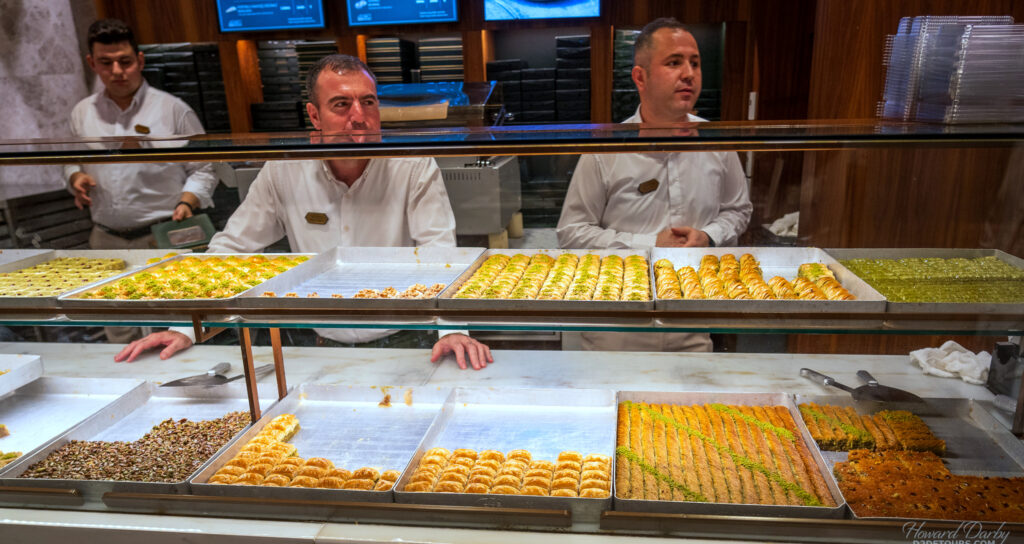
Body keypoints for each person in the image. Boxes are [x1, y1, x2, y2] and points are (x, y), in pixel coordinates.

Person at [114, 54, 494, 370]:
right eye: (341, 105)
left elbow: (440, 256)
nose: (359, 116)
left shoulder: (413, 166)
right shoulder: (286, 169)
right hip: (313, 344)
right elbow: (230, 250)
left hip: (407, 342)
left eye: (369, 102)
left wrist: (452, 330)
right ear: (314, 116)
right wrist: (188, 326)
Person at [556, 17, 752, 352]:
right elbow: (572, 232)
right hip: (614, 333)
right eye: (674, 63)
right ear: (640, 77)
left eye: (695, 63)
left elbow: (738, 210)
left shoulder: (717, 142)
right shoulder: (607, 149)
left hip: (692, 326)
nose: (688, 73)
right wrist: (648, 244)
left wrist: (708, 236)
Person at [65, 19, 218, 343]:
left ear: (141, 61)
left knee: (175, 328)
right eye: (106, 63)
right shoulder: (82, 112)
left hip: (163, 236)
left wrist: (186, 201)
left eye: (125, 61)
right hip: (105, 240)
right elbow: (69, 159)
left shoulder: (173, 109)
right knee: (118, 328)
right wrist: (75, 176)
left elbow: (205, 167)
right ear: (92, 64)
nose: (117, 70)